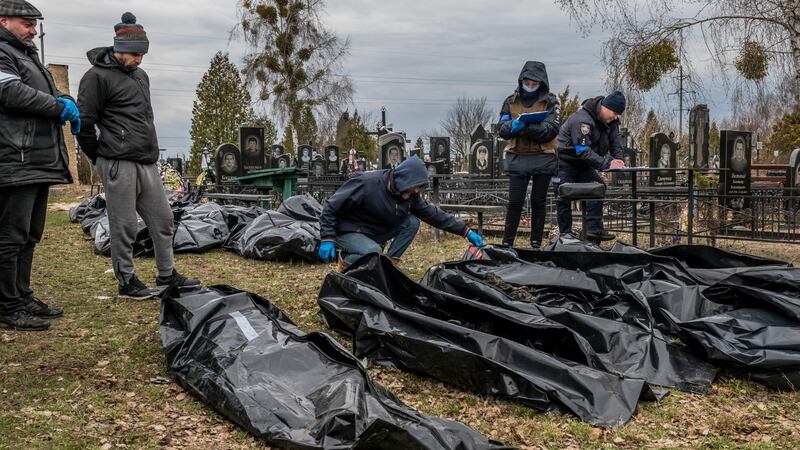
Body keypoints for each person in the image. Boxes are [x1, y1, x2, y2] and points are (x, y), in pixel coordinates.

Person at [77, 12, 199, 300]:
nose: (139, 59)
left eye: (143, 53)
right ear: (118, 47)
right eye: (134, 53)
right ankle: (126, 280)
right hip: (117, 162)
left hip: (146, 162)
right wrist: (100, 157)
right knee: (124, 225)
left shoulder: (141, 76)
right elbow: (83, 123)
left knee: (163, 219)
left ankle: (167, 275)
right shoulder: (95, 77)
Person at [0, 0, 76, 330]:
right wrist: (57, 106)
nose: (34, 29)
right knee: (10, 236)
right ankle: (7, 305)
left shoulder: (28, 55)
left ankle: (22, 295)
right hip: (15, 157)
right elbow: (11, 93)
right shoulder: (2, 53)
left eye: (35, 23)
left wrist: (66, 98)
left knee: (30, 234)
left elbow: (46, 91)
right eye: (27, 23)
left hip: (37, 160)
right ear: (3, 20)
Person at [318, 156, 484, 266]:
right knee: (373, 252)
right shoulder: (366, 183)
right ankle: (346, 263)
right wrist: (327, 238)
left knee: (412, 222)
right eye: (417, 185)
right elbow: (331, 207)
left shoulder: (409, 195)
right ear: (405, 179)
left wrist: (465, 231)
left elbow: (433, 214)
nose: (417, 191)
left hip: (373, 231)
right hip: (347, 231)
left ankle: (388, 265)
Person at [497, 61, 561, 248]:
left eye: (535, 84)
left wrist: (524, 127)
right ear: (521, 81)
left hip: (543, 157)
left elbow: (550, 130)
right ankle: (507, 243)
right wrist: (513, 126)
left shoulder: (551, 102)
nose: (530, 87)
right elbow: (502, 128)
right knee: (515, 201)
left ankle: (535, 243)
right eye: (527, 83)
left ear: (542, 83)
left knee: (538, 201)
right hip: (517, 157)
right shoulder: (510, 101)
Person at [556, 90, 627, 241]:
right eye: (614, 113)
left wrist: (619, 160)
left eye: (618, 114)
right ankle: (565, 234)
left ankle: (593, 228)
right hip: (565, 161)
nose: (616, 117)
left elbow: (615, 143)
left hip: (584, 164)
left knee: (598, 186)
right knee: (564, 195)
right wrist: (607, 163)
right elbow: (582, 150)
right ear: (604, 107)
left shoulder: (611, 121)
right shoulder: (582, 120)